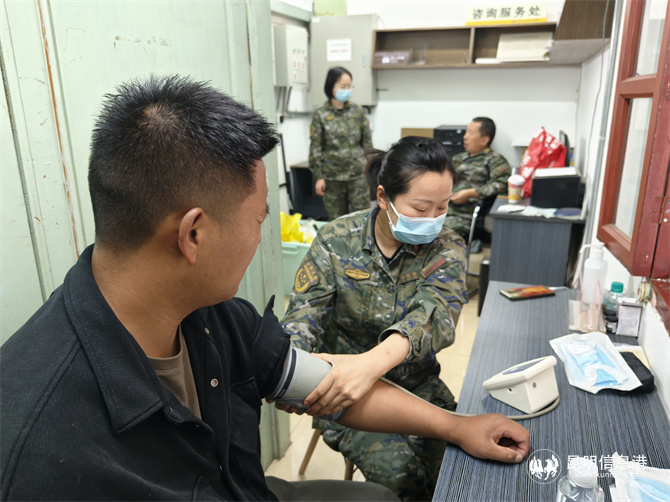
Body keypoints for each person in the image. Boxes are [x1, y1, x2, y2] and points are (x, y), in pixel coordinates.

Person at [0, 76, 530, 501]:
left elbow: (319, 381)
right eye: (259, 220)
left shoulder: (219, 318)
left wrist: (458, 427)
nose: (263, 236)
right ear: (193, 235)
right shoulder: (41, 447)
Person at [282, 136, 473, 500]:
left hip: (418, 386)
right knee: (402, 478)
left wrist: (370, 364)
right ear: (384, 197)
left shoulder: (447, 246)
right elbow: (304, 314)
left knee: (459, 471)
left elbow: (436, 314)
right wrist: (291, 372)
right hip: (345, 395)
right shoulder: (338, 239)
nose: (433, 220)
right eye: (421, 208)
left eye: (443, 207)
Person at [309, 66, 372, 220]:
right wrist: (319, 177)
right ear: (331, 87)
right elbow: (316, 148)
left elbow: (367, 144)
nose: (347, 90)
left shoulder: (357, 111)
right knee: (338, 222)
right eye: (343, 86)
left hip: (357, 176)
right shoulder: (320, 115)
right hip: (333, 178)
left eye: (349, 86)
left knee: (362, 219)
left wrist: (371, 171)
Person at [444, 117, 511, 241]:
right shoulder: (459, 158)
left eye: (470, 133)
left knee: (439, 234)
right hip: (443, 209)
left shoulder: (494, 160)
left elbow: (503, 183)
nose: (465, 137)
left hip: (465, 215)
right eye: (466, 132)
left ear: (484, 140)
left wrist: (471, 193)